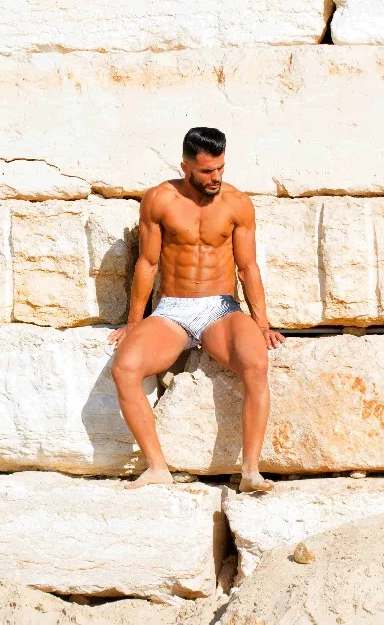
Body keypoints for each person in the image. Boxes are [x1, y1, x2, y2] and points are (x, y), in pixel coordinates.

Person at [108, 127, 285, 493]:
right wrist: (134, 322)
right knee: (124, 369)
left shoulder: (237, 203)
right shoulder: (160, 199)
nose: (215, 177)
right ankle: (157, 467)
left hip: (219, 308)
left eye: (220, 168)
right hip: (172, 310)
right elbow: (147, 263)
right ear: (185, 166)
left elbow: (247, 267)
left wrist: (262, 324)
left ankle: (250, 472)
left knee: (256, 364)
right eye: (206, 171)